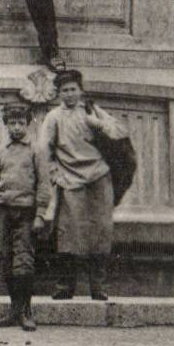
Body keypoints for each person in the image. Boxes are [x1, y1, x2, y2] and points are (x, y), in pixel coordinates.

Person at [41, 68, 129, 301]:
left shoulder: (91, 110)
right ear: (58, 93)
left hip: (99, 177)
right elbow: (44, 150)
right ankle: (65, 286)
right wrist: (55, 174)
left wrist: (98, 124)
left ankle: (98, 286)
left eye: (73, 89)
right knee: (69, 234)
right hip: (70, 180)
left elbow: (120, 131)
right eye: (64, 90)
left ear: (81, 90)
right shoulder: (53, 118)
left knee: (100, 232)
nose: (69, 94)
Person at [0, 98, 51, 331]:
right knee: (5, 259)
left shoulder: (37, 150)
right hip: (2, 210)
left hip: (26, 212)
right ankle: (13, 309)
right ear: (6, 124)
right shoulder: (0, 152)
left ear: (28, 124)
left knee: (23, 261)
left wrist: (40, 214)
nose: (16, 127)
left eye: (20, 122)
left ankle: (26, 311)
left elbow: (44, 183)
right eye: (12, 123)